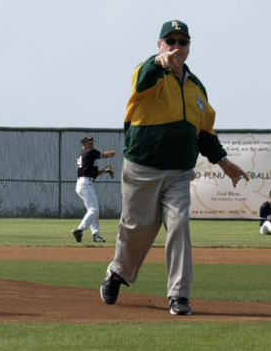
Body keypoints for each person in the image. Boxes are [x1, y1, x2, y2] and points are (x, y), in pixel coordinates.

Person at [100, 19, 248, 316]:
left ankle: (179, 295)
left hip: (179, 173)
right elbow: (141, 80)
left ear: (189, 48)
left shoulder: (196, 86)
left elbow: (204, 132)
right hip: (142, 168)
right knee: (136, 230)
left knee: (179, 225)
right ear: (160, 45)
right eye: (171, 42)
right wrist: (158, 61)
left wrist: (225, 162)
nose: (177, 47)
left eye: (183, 42)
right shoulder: (149, 72)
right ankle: (117, 273)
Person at [72, 135, 116, 243]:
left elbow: (93, 173)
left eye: (92, 142)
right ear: (83, 145)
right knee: (94, 210)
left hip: (84, 183)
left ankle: (96, 235)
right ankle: (80, 229)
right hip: (85, 184)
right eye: (89, 143)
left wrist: (104, 170)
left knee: (93, 210)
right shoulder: (90, 152)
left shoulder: (84, 155)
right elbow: (106, 155)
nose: (92, 145)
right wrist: (113, 152)